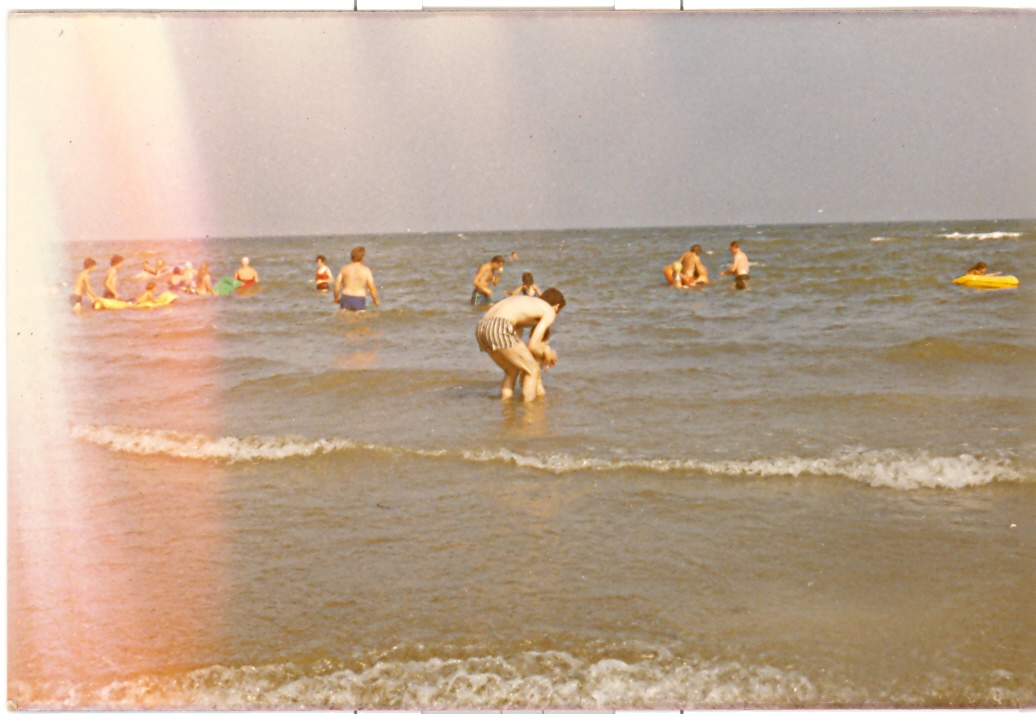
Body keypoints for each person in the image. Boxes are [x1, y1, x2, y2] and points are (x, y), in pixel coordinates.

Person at [475, 288, 565, 402]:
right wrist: (549, 354)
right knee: (532, 370)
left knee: (512, 371)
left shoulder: (526, 304)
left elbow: (518, 346)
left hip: (481, 328)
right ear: (557, 306)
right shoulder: (549, 311)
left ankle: (507, 408)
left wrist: (542, 352)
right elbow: (533, 345)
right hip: (499, 325)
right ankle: (529, 411)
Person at [334, 246, 380, 312]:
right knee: (359, 320)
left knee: (344, 319)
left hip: (346, 296)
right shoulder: (366, 270)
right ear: (362, 258)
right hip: (359, 298)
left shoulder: (344, 269)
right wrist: (376, 300)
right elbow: (372, 287)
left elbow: (337, 285)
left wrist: (336, 297)